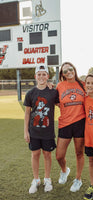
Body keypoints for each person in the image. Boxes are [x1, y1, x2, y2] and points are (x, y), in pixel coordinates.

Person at [24, 65, 59, 194]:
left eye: (44, 74)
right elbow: (27, 113)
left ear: (47, 76)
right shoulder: (30, 93)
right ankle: (36, 179)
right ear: (35, 77)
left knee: (47, 154)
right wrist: (25, 131)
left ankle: (47, 179)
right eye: (39, 74)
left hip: (48, 131)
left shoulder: (53, 92)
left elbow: (61, 104)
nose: (41, 77)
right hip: (34, 131)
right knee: (35, 154)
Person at [56, 62, 86, 192]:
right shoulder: (59, 86)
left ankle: (78, 179)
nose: (68, 72)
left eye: (70, 69)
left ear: (74, 69)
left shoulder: (83, 85)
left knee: (79, 153)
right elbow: (56, 102)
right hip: (65, 124)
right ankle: (64, 170)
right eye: (65, 71)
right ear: (62, 74)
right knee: (59, 155)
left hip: (80, 123)